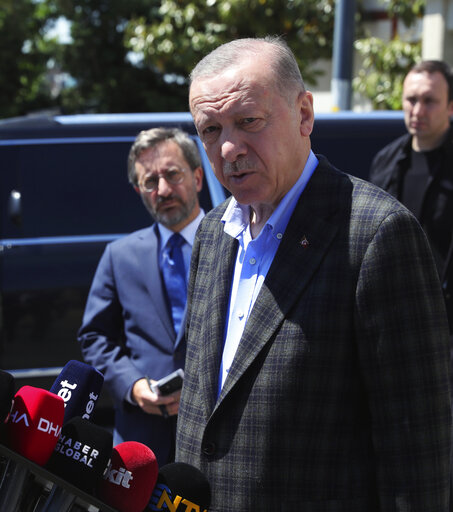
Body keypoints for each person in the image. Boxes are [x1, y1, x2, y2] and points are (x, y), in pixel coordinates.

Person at [175, 37, 452, 511]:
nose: (229, 148)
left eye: (248, 121)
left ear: (304, 114)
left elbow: (417, 450)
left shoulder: (376, 234)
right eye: (211, 129)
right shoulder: (212, 233)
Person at [78, 127, 204, 466]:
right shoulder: (120, 256)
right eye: (150, 181)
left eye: (172, 175)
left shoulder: (237, 243)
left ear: (197, 178)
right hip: (143, 440)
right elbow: (94, 337)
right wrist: (133, 386)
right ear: (138, 190)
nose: (162, 190)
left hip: (218, 434)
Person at [369, 60, 453, 335]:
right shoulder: (385, 162)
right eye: (411, 99)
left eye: (429, 101)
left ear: (450, 106)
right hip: (391, 317)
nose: (417, 110)